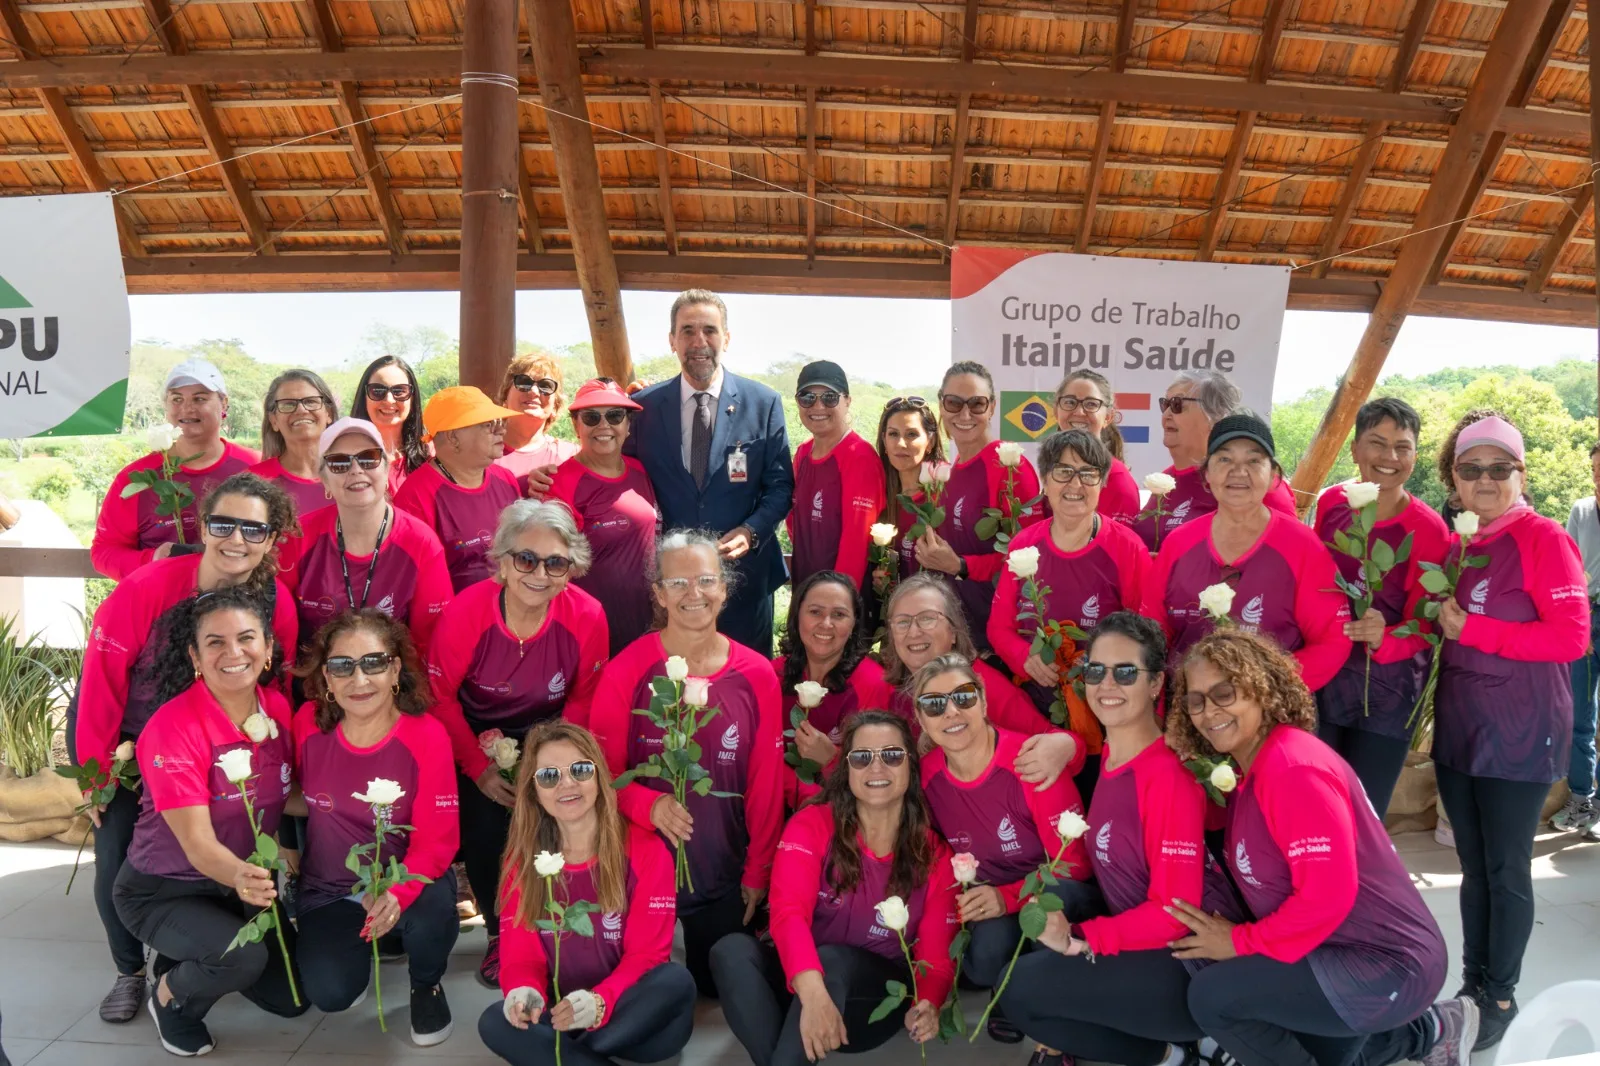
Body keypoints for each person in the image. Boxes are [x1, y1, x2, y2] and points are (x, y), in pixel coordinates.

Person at [1166, 629, 1476, 1066]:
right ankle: (1434, 1030)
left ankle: (1415, 1023)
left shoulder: (1291, 768)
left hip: (1386, 963)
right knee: (1302, 1042)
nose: (1208, 711)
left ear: (1260, 688)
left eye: (1223, 692)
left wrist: (1240, 942)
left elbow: (1326, 896)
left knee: (1214, 998)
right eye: (1196, 701)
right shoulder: (1254, 765)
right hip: (1336, 947)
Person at [71, 473, 299, 1025]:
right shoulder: (148, 587)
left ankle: (182, 961)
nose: (237, 539)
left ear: (272, 538)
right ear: (205, 527)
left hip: (224, 752)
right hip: (136, 748)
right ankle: (128, 971)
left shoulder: (276, 602)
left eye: (254, 528)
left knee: (212, 853)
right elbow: (101, 679)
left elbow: (279, 687)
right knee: (117, 854)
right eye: (224, 524)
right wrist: (96, 772)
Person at [998, 612, 1238, 1066]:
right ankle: (1169, 1048)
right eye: (1096, 671)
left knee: (1019, 993)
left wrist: (1081, 937)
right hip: (1140, 937)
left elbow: (1173, 913)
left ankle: (1176, 1053)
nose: (1108, 684)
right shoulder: (1109, 756)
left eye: (1125, 672)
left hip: (1185, 966)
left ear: (1154, 685)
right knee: (1046, 898)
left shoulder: (1168, 774)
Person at [1432, 414, 1588, 1048]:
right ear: (1454, 481)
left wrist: (1473, 631)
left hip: (1521, 728)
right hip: (1463, 724)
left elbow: (1572, 636)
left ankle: (1501, 993)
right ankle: (1473, 984)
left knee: (1505, 869)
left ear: (1521, 475)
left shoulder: (1544, 537)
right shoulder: (1459, 542)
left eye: (1501, 469)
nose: (1486, 480)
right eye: (1472, 470)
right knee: (1473, 866)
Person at [584, 530, 784, 997]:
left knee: (714, 990)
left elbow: (765, 784)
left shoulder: (756, 674)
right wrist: (644, 805)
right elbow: (599, 772)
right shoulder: (627, 669)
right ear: (657, 593)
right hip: (640, 869)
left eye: (706, 580)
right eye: (677, 583)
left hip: (720, 869)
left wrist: (757, 872)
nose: (693, 594)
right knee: (646, 992)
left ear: (724, 588)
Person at [112, 587, 308, 1058]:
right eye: (215, 642)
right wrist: (244, 876)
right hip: (163, 889)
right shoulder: (172, 727)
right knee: (244, 956)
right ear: (195, 656)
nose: (234, 652)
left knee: (295, 1001)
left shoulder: (276, 710)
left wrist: (360, 807)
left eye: (246, 638)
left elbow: (291, 795)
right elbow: (198, 843)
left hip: (234, 886)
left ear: (266, 649)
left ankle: (191, 951)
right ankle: (171, 997)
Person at [427, 500, 608, 986]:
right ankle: (498, 933)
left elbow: (583, 699)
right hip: (473, 735)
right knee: (489, 825)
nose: (539, 574)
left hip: (550, 734)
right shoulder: (467, 613)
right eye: (526, 559)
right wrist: (479, 769)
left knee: (562, 810)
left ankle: (559, 924)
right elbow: (440, 698)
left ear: (571, 570)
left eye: (556, 563)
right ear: (503, 561)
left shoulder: (587, 616)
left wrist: (548, 763)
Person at [710, 711, 957, 1065]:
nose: (876, 768)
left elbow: (934, 958)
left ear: (910, 767)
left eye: (891, 755)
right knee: (730, 951)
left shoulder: (934, 854)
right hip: (805, 990)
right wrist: (812, 995)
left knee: (835, 959)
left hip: (867, 1007)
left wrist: (929, 1002)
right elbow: (788, 913)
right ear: (847, 770)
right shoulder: (812, 824)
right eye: (861, 757)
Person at [478, 721, 696, 1066]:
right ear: (534, 790)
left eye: (580, 770)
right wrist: (524, 991)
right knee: (493, 1020)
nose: (567, 783)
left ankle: (566, 1057)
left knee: (675, 981)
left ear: (599, 776)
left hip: (633, 1020)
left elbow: (646, 957)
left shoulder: (646, 850)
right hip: (562, 1017)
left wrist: (599, 1003)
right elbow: (522, 959)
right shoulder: (523, 862)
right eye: (549, 776)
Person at [289, 610, 459, 1045]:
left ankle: (427, 983)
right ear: (326, 676)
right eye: (342, 666)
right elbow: (283, 792)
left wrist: (396, 894)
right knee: (331, 996)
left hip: (405, 879)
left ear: (396, 668)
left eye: (374, 663)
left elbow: (438, 839)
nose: (358, 679)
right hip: (331, 888)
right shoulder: (307, 724)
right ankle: (365, 949)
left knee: (432, 909)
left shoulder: (427, 735)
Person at [912, 654, 1098, 1047]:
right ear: (922, 718)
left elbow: (1074, 867)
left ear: (982, 700)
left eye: (963, 697)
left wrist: (1008, 898)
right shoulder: (927, 777)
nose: (950, 712)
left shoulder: (1030, 761)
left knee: (1047, 913)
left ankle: (1056, 1016)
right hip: (993, 893)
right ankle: (1015, 990)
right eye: (933, 704)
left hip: (1057, 890)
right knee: (983, 960)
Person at [623, 289, 794, 655]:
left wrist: (751, 531)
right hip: (674, 587)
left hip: (745, 581)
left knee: (747, 686)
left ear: (726, 338)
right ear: (672, 340)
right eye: (687, 330)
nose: (699, 341)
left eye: (709, 330)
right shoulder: (642, 408)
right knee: (679, 691)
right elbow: (617, 473)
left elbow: (780, 486)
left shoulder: (763, 403)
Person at [989, 429, 1151, 799]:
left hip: (1104, 713)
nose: (1074, 484)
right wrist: (1024, 656)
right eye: (1062, 472)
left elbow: (1148, 639)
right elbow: (999, 629)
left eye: (1088, 473)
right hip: (1034, 709)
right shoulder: (1023, 545)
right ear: (1045, 481)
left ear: (1103, 483)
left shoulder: (1127, 550)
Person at [1143, 413, 1351, 691]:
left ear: (1273, 474)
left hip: (1272, 709)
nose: (1239, 472)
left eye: (1254, 461)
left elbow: (1331, 640)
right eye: (1225, 459)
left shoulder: (1302, 546)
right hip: (1188, 706)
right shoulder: (1179, 543)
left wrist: (1266, 689)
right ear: (1206, 473)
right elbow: (1153, 631)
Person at [1312, 398, 1448, 818]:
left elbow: (1428, 627)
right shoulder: (1332, 502)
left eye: (1402, 447)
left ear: (1415, 456)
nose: (1389, 458)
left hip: (1388, 692)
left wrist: (1384, 638)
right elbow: (1315, 581)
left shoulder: (1428, 530)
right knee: (1318, 805)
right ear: (1355, 449)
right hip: (1326, 678)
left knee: (1364, 816)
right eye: (1377, 443)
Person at [275, 418, 454, 663]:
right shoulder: (298, 538)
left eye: (369, 457)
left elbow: (428, 641)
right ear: (324, 481)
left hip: (393, 686)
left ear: (386, 469)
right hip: (315, 683)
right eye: (339, 462)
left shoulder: (421, 542)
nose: (356, 469)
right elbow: (279, 630)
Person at [869, 573, 1081, 757]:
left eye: (927, 619)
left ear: (953, 632)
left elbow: (1056, 743)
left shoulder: (986, 686)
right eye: (903, 622)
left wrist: (1067, 747)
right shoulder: (891, 689)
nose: (914, 632)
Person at [914, 361, 1044, 649]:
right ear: (942, 404)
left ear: (993, 407)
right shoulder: (952, 470)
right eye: (954, 402)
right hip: (957, 628)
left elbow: (1030, 560)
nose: (964, 414)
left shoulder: (1011, 467)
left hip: (997, 634)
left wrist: (960, 565)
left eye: (976, 404)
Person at [92, 359, 260, 579]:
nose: (187, 408)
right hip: (160, 604)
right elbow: (105, 552)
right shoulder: (136, 478)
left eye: (200, 398)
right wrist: (153, 560)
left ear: (224, 403)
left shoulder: (255, 467)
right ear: (166, 406)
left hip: (239, 606)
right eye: (177, 399)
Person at [546, 378, 659, 655]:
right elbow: (552, 568)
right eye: (592, 417)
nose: (604, 425)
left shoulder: (640, 470)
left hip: (649, 621)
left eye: (615, 415)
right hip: (591, 628)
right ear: (576, 425)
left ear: (628, 425)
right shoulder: (560, 483)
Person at [1132, 371, 1296, 551]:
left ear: (1215, 415)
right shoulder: (1165, 480)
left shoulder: (1258, 483)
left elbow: (1288, 552)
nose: (1167, 415)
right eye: (1165, 405)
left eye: (1177, 404)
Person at [395, 385, 523, 592]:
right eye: (488, 424)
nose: (501, 430)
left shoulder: (506, 480)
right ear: (454, 437)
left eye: (500, 422)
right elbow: (413, 582)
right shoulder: (415, 496)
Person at [774, 570, 877, 805]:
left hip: (844, 813)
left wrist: (831, 759)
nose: (826, 624)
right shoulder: (773, 675)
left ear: (853, 623)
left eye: (839, 614)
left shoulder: (872, 683)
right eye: (815, 612)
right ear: (797, 615)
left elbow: (878, 776)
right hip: (776, 804)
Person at [787, 359, 885, 591]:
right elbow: (794, 522)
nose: (818, 407)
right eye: (807, 398)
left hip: (842, 600)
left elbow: (857, 542)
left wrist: (838, 601)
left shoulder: (859, 456)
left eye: (829, 397)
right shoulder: (802, 453)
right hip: (805, 590)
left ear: (847, 401)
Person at [1554, 438, 1600, 836]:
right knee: (1580, 717)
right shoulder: (1581, 511)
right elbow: (1571, 570)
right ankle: (1581, 798)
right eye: (1596, 472)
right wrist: (1579, 624)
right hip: (1587, 616)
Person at [873, 394, 947, 598]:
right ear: (884, 442)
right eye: (893, 434)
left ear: (930, 442)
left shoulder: (946, 494)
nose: (901, 444)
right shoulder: (878, 494)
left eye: (912, 434)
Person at [248, 369, 338, 521]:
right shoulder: (251, 483)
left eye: (311, 401)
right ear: (274, 420)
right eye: (288, 404)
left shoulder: (354, 474)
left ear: (328, 413)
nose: (301, 410)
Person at [1054, 370, 1140, 525]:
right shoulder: (1052, 468)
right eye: (1069, 402)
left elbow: (1116, 547)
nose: (1079, 412)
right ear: (1056, 411)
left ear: (1108, 417)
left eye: (1091, 404)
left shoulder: (1118, 481)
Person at [495, 352, 580, 493]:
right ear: (505, 397)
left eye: (545, 386)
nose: (534, 391)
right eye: (524, 382)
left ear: (555, 406)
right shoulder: (480, 453)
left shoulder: (572, 456)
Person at [351, 354, 429, 499]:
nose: (389, 400)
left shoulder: (431, 454)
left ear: (412, 397)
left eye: (399, 391)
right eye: (378, 391)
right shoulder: (345, 459)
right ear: (364, 397)